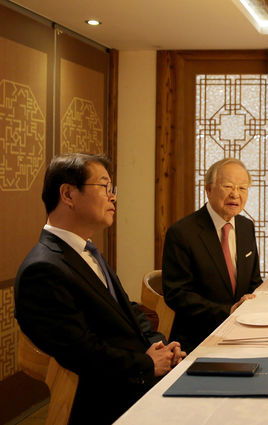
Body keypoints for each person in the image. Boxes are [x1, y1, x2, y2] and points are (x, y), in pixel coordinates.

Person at [14, 153, 186, 425]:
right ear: (68, 195)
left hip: (137, 379)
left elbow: (126, 309)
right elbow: (81, 352)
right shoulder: (43, 269)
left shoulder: (84, 250)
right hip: (113, 401)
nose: (113, 197)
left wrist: (158, 344)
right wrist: (147, 365)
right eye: (105, 187)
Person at [162, 158, 262, 352]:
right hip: (197, 337)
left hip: (243, 331)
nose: (235, 194)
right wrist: (227, 311)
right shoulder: (182, 233)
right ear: (208, 189)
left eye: (242, 188)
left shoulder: (245, 226)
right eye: (227, 186)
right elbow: (177, 294)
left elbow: (254, 281)